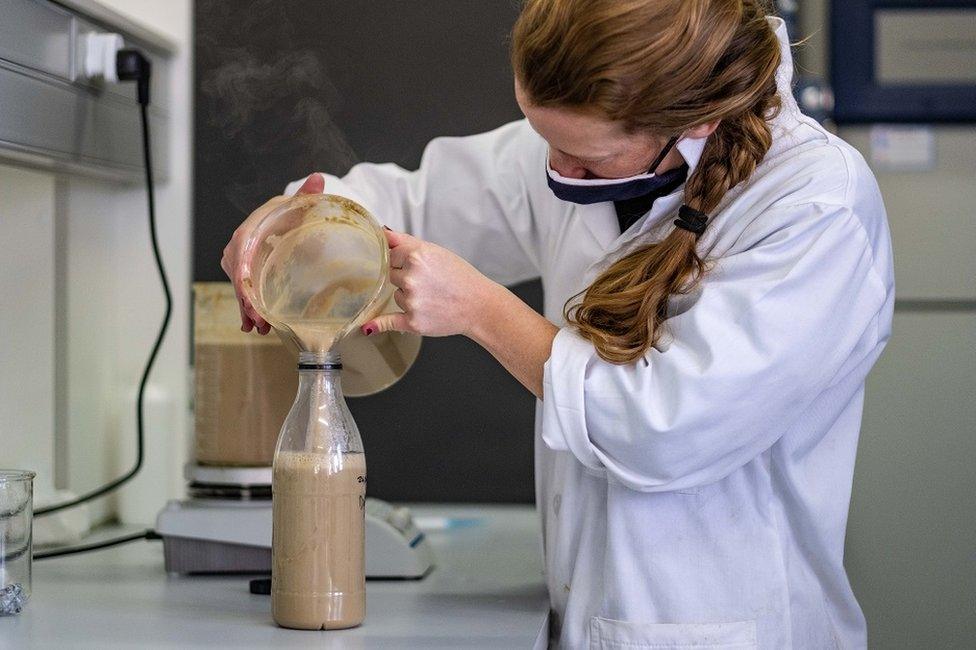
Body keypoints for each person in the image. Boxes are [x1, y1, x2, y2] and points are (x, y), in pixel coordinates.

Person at [222, 1, 893, 647]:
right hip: (588, 620)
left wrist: (483, 310)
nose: (555, 170)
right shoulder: (575, 140)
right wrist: (289, 222)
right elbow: (403, 203)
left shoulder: (814, 206)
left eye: (587, 160)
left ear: (687, 125)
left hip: (732, 630)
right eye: (543, 136)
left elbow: (660, 427)